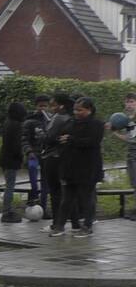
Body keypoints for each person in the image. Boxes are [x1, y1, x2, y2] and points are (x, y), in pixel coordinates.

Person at [50, 97, 103, 238]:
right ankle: (59, 226)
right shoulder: (71, 122)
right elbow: (60, 136)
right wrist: (60, 139)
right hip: (69, 166)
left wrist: (71, 139)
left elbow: (92, 142)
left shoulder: (96, 124)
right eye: (75, 109)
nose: (76, 112)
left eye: (80, 110)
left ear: (89, 110)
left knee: (86, 198)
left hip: (88, 167)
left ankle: (87, 226)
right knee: (67, 198)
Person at [41, 93, 79, 231]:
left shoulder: (58, 118)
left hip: (52, 157)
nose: (51, 108)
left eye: (53, 105)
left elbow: (49, 137)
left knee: (55, 191)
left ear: (60, 105)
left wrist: (42, 134)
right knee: (68, 192)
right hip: (66, 157)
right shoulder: (71, 118)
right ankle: (75, 223)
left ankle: (57, 223)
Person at [0, 102, 27, 223]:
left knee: (9, 184)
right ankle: (6, 212)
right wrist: (21, 157)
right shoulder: (16, 125)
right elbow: (16, 145)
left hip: (5, 157)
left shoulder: (8, 122)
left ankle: (7, 211)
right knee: (10, 186)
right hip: (11, 159)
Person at [22, 94, 51, 214]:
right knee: (33, 173)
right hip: (34, 153)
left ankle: (43, 208)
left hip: (47, 154)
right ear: (36, 106)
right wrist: (29, 151)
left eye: (45, 106)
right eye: (40, 106)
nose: (43, 108)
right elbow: (23, 139)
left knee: (46, 182)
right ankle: (34, 196)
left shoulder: (51, 120)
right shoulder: (29, 121)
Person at [110, 92, 136, 220]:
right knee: (134, 183)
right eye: (127, 102)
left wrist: (114, 133)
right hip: (131, 154)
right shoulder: (128, 119)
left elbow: (131, 139)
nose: (129, 104)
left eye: (131, 101)